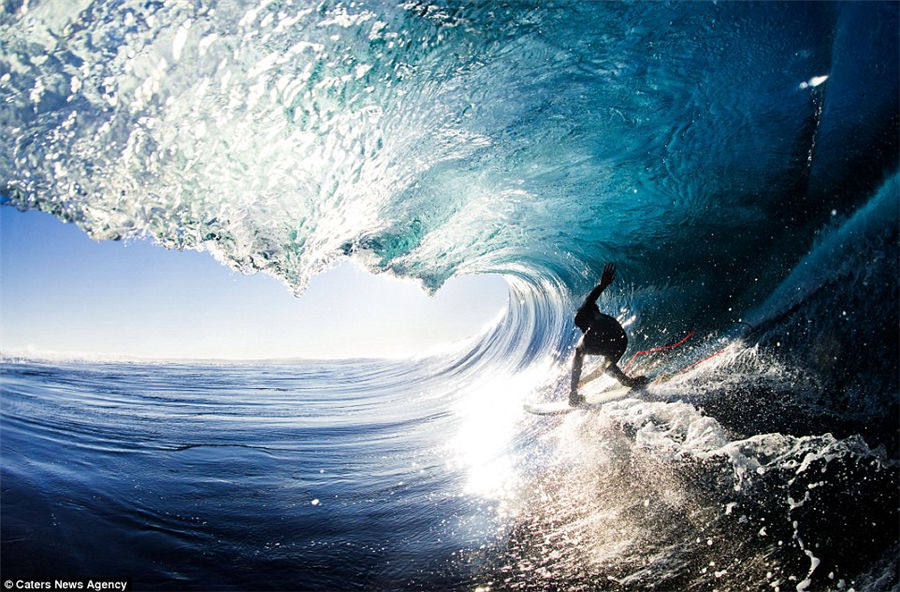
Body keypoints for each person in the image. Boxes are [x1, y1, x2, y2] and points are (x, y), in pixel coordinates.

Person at [570, 263, 648, 406]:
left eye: (581, 326)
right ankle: (631, 382)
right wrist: (583, 381)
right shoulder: (596, 316)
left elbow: (590, 299)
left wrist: (601, 286)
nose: (582, 330)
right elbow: (601, 369)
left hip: (603, 329)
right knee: (608, 366)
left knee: (578, 351)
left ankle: (573, 395)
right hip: (621, 338)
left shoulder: (583, 312)